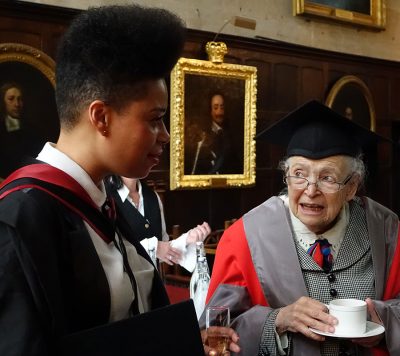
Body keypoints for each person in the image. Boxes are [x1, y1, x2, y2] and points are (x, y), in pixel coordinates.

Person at [0, 5, 239, 355]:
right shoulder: (21, 219)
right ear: (101, 117)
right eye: (155, 119)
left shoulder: (101, 202)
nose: (167, 136)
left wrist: (181, 341)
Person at [204, 100, 400, 355]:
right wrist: (277, 320)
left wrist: (384, 321)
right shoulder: (244, 237)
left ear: (352, 187)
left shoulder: (386, 231)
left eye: (327, 178)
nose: (310, 190)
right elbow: (214, 333)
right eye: (299, 174)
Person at [106, 175, 211, 271]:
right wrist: (152, 247)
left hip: (154, 285)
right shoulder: (105, 197)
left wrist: (187, 239)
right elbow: (108, 253)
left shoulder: (153, 197)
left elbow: (163, 250)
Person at [188, 92, 240, 175]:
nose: (219, 112)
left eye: (222, 107)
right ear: (210, 110)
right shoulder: (203, 135)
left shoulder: (231, 134)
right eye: (215, 108)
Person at [0, 82, 42, 178]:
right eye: (11, 99)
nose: (17, 104)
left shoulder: (32, 129)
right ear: (2, 101)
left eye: (20, 99)